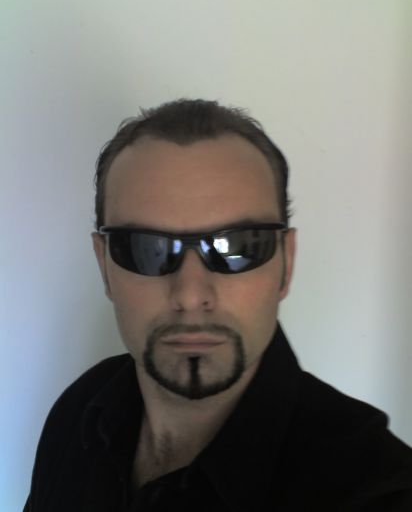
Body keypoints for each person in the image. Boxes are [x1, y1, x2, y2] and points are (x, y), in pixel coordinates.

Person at [24, 99, 412, 511]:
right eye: (146, 248)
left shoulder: (377, 488)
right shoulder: (79, 410)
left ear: (286, 263)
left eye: (238, 247)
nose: (191, 295)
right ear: (104, 265)